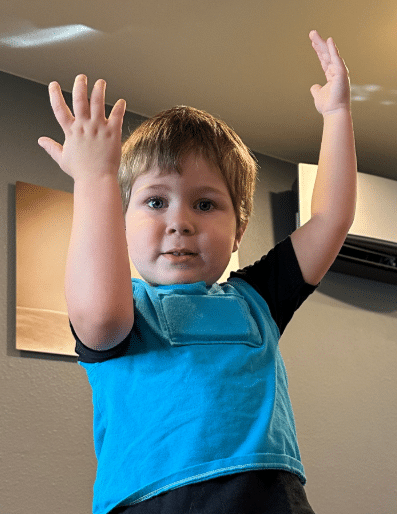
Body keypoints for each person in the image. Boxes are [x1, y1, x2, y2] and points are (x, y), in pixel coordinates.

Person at [38, 30, 356, 514]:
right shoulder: (127, 308)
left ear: (239, 229)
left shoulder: (257, 299)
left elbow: (331, 219)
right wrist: (95, 178)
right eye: (155, 202)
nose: (180, 222)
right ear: (118, 224)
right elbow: (99, 318)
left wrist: (337, 117)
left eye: (205, 204)